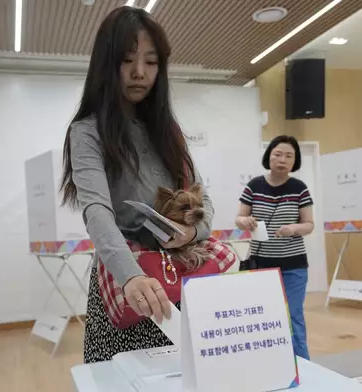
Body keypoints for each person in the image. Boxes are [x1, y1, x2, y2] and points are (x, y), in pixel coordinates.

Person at [60, 6, 214, 364]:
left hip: (181, 280)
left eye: (151, 62)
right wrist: (130, 276)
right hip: (127, 286)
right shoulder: (87, 131)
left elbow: (205, 204)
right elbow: (96, 211)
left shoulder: (170, 134)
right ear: (105, 64)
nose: (140, 73)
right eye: (127, 60)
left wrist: (188, 235)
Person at [235, 135, 315, 360]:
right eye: (278, 154)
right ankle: (270, 363)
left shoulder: (300, 188)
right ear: (268, 156)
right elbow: (239, 218)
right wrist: (245, 222)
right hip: (261, 265)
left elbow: (309, 224)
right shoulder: (254, 185)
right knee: (263, 317)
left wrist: (293, 229)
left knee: (293, 317)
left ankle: (303, 367)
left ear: (295, 161)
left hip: (294, 267)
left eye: (289, 156)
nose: (282, 159)